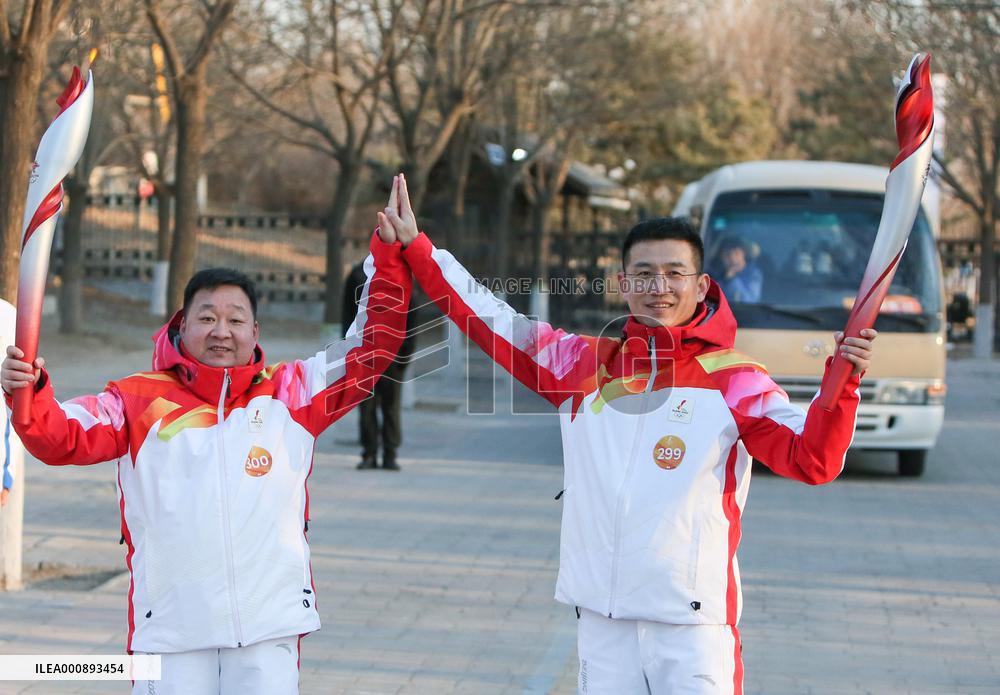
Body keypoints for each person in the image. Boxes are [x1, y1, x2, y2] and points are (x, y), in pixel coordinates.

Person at [378, 173, 876, 694]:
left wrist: (841, 386)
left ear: (701, 285)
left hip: (690, 627)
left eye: (674, 273)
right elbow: (491, 319)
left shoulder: (737, 379)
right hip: (602, 620)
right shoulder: (583, 364)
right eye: (643, 274)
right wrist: (418, 249)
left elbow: (814, 461)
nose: (658, 287)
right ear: (623, 283)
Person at [0, 188, 412, 694]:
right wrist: (30, 391)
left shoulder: (292, 392)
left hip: (267, 627)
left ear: (254, 330)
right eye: (207, 317)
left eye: (236, 319)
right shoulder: (136, 400)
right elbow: (56, 435)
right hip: (173, 631)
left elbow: (373, 347)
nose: (222, 331)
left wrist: (390, 257)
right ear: (182, 325)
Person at [343, 260, 416, 471]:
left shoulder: (402, 276)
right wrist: (349, 350)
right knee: (366, 406)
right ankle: (369, 453)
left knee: (391, 406)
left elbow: (412, 314)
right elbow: (348, 315)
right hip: (364, 354)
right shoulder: (358, 275)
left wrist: (406, 352)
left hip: (393, 354)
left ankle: (390, 454)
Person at [714, 235, 763, 303]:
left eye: (737, 253)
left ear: (744, 254)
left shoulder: (754, 274)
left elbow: (750, 301)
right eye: (727, 254)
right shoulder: (715, 273)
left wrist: (731, 279)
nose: (733, 259)